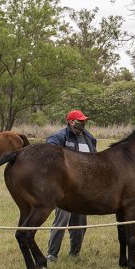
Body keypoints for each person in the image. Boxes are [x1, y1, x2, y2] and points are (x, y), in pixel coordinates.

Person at [45, 110, 97, 261]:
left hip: (83, 189)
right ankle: (52, 254)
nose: (83, 124)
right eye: (80, 121)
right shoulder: (59, 137)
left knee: (80, 222)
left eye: (84, 121)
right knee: (62, 219)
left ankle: (75, 253)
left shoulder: (90, 139)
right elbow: (50, 154)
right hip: (64, 190)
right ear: (71, 122)